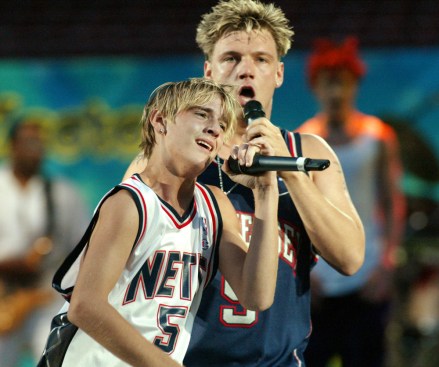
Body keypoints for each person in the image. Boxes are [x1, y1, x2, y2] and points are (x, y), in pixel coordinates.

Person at [124, 1, 365, 366]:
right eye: (232, 58)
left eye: (261, 60)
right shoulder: (167, 157)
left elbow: (349, 258)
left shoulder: (308, 152)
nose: (246, 71)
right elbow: (119, 264)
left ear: (279, 73)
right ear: (209, 71)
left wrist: (287, 168)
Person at [37, 77, 281, 367]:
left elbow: (257, 297)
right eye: (202, 114)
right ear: (160, 121)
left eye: (222, 123)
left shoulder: (215, 206)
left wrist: (266, 192)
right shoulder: (129, 202)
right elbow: (85, 307)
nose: (215, 128)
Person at [297, 36, 406, 367]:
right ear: (314, 87)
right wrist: (303, 272)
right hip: (320, 282)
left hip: (367, 275)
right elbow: (298, 212)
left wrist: (386, 263)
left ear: (354, 85)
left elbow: (392, 203)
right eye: (327, 83)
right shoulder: (304, 138)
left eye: (341, 83)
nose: (335, 93)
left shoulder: (378, 135)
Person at [0, 118, 89, 366]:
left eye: (39, 143)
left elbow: (83, 248)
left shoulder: (63, 193)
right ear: (12, 145)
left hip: (45, 296)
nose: (35, 149)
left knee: (53, 359)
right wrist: (12, 265)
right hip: (4, 295)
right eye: (28, 142)